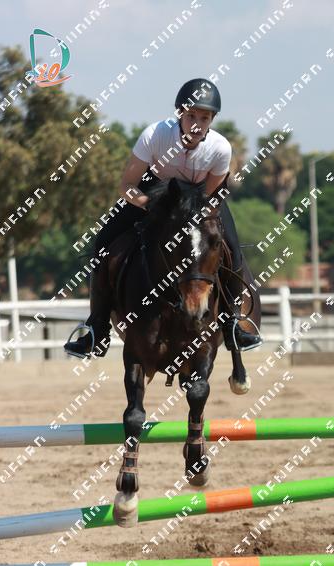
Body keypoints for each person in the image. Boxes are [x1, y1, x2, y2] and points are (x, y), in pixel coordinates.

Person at [64, 78, 262, 358]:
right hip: (152, 193)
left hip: (199, 199)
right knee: (103, 244)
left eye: (204, 118)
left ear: (212, 120)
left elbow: (211, 196)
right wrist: (151, 206)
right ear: (180, 113)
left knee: (232, 250)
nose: (197, 124)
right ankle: (97, 328)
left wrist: (192, 217)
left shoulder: (220, 148)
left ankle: (232, 324)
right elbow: (126, 186)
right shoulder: (154, 135)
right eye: (191, 116)